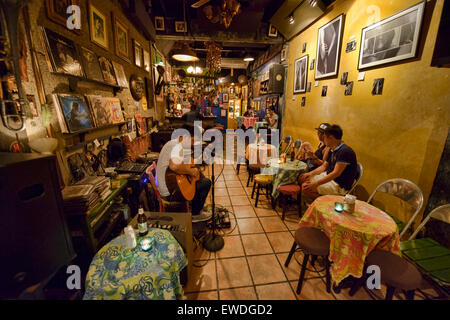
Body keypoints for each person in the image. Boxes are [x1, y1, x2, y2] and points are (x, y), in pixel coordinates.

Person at [156, 124, 212, 222]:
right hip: (169, 191)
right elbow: (174, 166)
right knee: (206, 182)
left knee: (199, 176)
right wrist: (191, 171)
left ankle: (197, 204)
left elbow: (181, 163)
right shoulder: (176, 146)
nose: (193, 144)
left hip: (170, 184)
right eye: (192, 140)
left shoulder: (174, 143)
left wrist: (193, 167)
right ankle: (195, 214)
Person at [299, 124, 357, 199]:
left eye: (325, 137)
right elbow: (324, 166)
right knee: (302, 178)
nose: (324, 140)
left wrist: (316, 183)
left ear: (331, 138)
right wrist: (310, 174)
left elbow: (336, 173)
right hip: (329, 177)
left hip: (339, 185)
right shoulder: (332, 148)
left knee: (306, 188)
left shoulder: (345, 151)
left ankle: (324, 203)